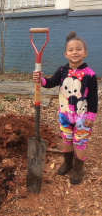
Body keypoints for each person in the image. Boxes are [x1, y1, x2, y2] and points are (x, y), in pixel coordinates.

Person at [33, 31, 98, 184]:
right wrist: (40, 79)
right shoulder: (62, 71)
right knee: (67, 138)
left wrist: (91, 117)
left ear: (85, 52)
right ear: (66, 54)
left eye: (78, 49)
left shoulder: (90, 74)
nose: (74, 52)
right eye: (71, 50)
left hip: (82, 115)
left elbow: (94, 97)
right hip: (65, 114)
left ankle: (78, 168)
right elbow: (49, 83)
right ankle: (68, 163)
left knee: (80, 140)